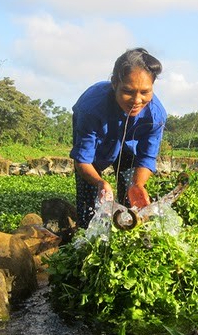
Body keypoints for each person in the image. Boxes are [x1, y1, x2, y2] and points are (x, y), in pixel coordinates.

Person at [70, 48, 167, 229]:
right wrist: (100, 182)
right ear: (115, 83)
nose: (136, 100)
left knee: (132, 203)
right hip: (98, 149)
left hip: (130, 147)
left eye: (145, 92)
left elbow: (146, 158)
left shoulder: (156, 115)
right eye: (128, 91)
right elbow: (82, 160)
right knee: (90, 207)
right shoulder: (90, 108)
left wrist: (138, 184)